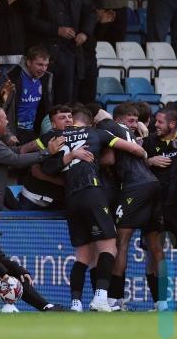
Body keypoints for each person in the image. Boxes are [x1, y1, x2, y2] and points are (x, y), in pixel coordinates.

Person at [40, 105, 147, 312]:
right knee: (109, 247)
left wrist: (68, 157)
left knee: (83, 255)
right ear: (89, 122)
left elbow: (46, 167)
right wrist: (144, 154)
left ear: (73, 119)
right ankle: (100, 298)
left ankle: (76, 304)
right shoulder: (96, 132)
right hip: (93, 192)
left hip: (71, 198)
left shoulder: (54, 138)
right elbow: (132, 148)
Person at [97, 103, 165, 311]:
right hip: (153, 184)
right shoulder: (131, 135)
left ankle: (115, 299)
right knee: (155, 246)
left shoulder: (109, 128)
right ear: (120, 118)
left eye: (136, 120)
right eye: (131, 120)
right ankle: (161, 303)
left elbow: (108, 158)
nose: (134, 124)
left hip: (134, 188)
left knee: (121, 242)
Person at [142, 107, 177, 304]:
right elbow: (130, 165)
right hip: (152, 206)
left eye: (159, 122)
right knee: (155, 254)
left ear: (172, 124)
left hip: (176, 206)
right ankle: (161, 303)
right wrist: (148, 161)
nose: (155, 125)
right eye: (154, 121)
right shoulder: (148, 142)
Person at [25, 0, 95, 105]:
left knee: (67, 99)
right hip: (47, 53)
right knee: (45, 98)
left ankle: (63, 128)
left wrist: (85, 32)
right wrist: (56, 30)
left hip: (71, 52)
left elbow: (90, 12)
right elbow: (31, 21)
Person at [0, 106, 65, 208]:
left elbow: (7, 153)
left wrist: (27, 147)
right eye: (5, 119)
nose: (7, 122)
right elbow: (15, 160)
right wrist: (48, 152)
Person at [15, 105, 71, 211]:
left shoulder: (80, 137)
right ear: (53, 124)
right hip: (32, 196)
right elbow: (23, 150)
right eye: (62, 118)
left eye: (70, 117)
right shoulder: (50, 137)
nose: (68, 120)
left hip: (56, 199)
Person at [3, 46, 54, 144]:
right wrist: (8, 134)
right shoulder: (12, 77)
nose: (43, 69)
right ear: (29, 62)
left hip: (34, 133)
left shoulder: (46, 79)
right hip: (14, 133)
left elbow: (48, 109)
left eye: (46, 65)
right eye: (39, 64)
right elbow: (0, 106)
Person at [74, 0, 107, 103]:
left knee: (88, 97)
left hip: (89, 53)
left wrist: (101, 23)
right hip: (72, 52)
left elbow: (98, 36)